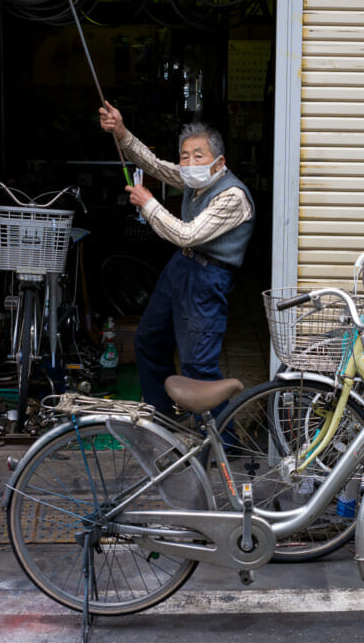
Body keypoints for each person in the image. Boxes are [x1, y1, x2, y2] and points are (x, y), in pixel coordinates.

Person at [98, 101, 254, 415]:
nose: (190, 162)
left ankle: (222, 446)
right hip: (181, 267)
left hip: (208, 278)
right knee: (149, 341)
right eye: (185, 156)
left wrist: (149, 203)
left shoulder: (232, 196)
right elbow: (155, 166)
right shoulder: (193, 179)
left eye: (199, 155)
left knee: (198, 365)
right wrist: (122, 132)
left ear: (218, 161)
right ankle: (163, 420)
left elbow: (186, 234)